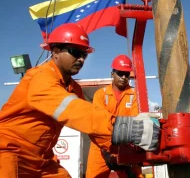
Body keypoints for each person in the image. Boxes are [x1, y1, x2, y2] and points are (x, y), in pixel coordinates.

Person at [0, 23, 160, 178]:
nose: (81, 59)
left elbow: (91, 128)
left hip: (41, 160)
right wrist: (124, 128)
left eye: (84, 54)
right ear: (55, 51)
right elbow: (75, 111)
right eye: (75, 52)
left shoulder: (73, 88)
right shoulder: (40, 77)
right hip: (9, 152)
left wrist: (118, 150)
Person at [86, 54, 143, 178]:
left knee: (135, 176)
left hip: (127, 145)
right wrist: (106, 152)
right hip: (100, 146)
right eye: (120, 73)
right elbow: (98, 124)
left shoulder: (134, 94)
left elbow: (135, 121)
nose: (123, 77)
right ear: (112, 74)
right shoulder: (100, 94)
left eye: (126, 74)